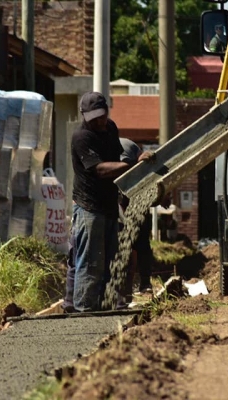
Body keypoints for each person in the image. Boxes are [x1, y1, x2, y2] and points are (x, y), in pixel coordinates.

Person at [64, 91, 153, 312]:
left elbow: (117, 159)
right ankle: (84, 308)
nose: (99, 121)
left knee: (110, 260)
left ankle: (105, 305)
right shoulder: (82, 138)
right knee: (90, 260)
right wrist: (134, 163)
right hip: (89, 206)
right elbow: (101, 169)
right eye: (93, 117)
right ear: (84, 116)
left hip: (109, 205)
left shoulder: (110, 128)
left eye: (102, 115)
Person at [119, 138, 154, 296]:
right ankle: (123, 289)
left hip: (138, 205)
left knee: (141, 245)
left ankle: (145, 283)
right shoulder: (113, 156)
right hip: (119, 207)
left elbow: (154, 181)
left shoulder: (139, 162)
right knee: (123, 248)